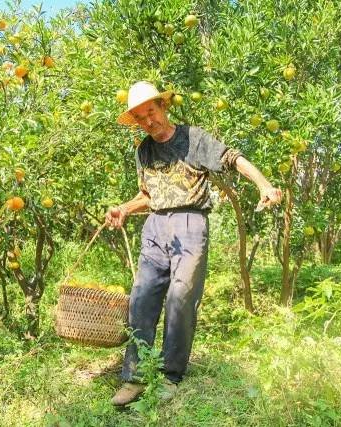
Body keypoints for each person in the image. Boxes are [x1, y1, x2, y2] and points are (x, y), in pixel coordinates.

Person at [106, 81, 282, 406]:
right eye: (140, 117)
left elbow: (232, 158)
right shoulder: (143, 150)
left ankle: (171, 375)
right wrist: (124, 208)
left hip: (190, 222)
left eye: (151, 112)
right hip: (155, 226)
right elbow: (148, 195)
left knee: (181, 296)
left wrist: (264, 185)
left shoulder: (193, 138)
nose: (148, 121)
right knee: (141, 299)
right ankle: (135, 377)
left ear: (163, 107)